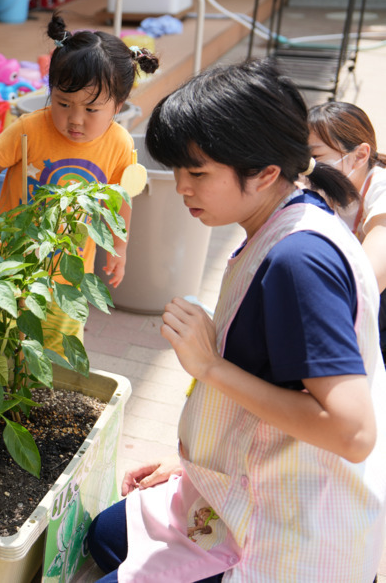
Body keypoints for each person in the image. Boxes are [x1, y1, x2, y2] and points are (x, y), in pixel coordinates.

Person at [86, 60, 386, 582]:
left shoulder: (298, 263)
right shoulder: (286, 215)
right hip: (248, 485)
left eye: (197, 172)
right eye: (178, 169)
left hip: (290, 529)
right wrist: (195, 463)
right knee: (106, 534)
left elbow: (353, 432)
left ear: (266, 171)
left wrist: (209, 366)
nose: (181, 187)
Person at [0, 11, 158, 353]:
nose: (75, 119)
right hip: (9, 261)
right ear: (50, 90)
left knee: (57, 347)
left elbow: (121, 198)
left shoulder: (120, 144)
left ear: (119, 105)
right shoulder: (31, 128)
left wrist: (119, 247)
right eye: (63, 103)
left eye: (92, 109)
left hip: (67, 271)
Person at [308, 101, 386, 359]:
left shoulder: (380, 188)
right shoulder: (321, 188)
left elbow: (370, 277)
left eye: (315, 157)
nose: (307, 167)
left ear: (360, 155)